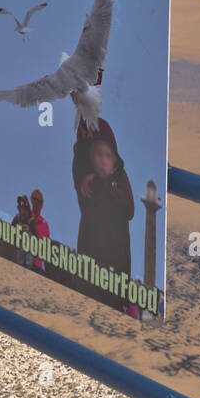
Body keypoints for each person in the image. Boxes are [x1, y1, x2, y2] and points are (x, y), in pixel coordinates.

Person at [73, 118, 134, 285]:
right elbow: (85, 198)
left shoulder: (119, 175)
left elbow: (129, 209)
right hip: (91, 247)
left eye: (107, 155)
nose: (103, 159)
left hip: (118, 253)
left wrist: (109, 184)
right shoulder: (82, 168)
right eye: (99, 154)